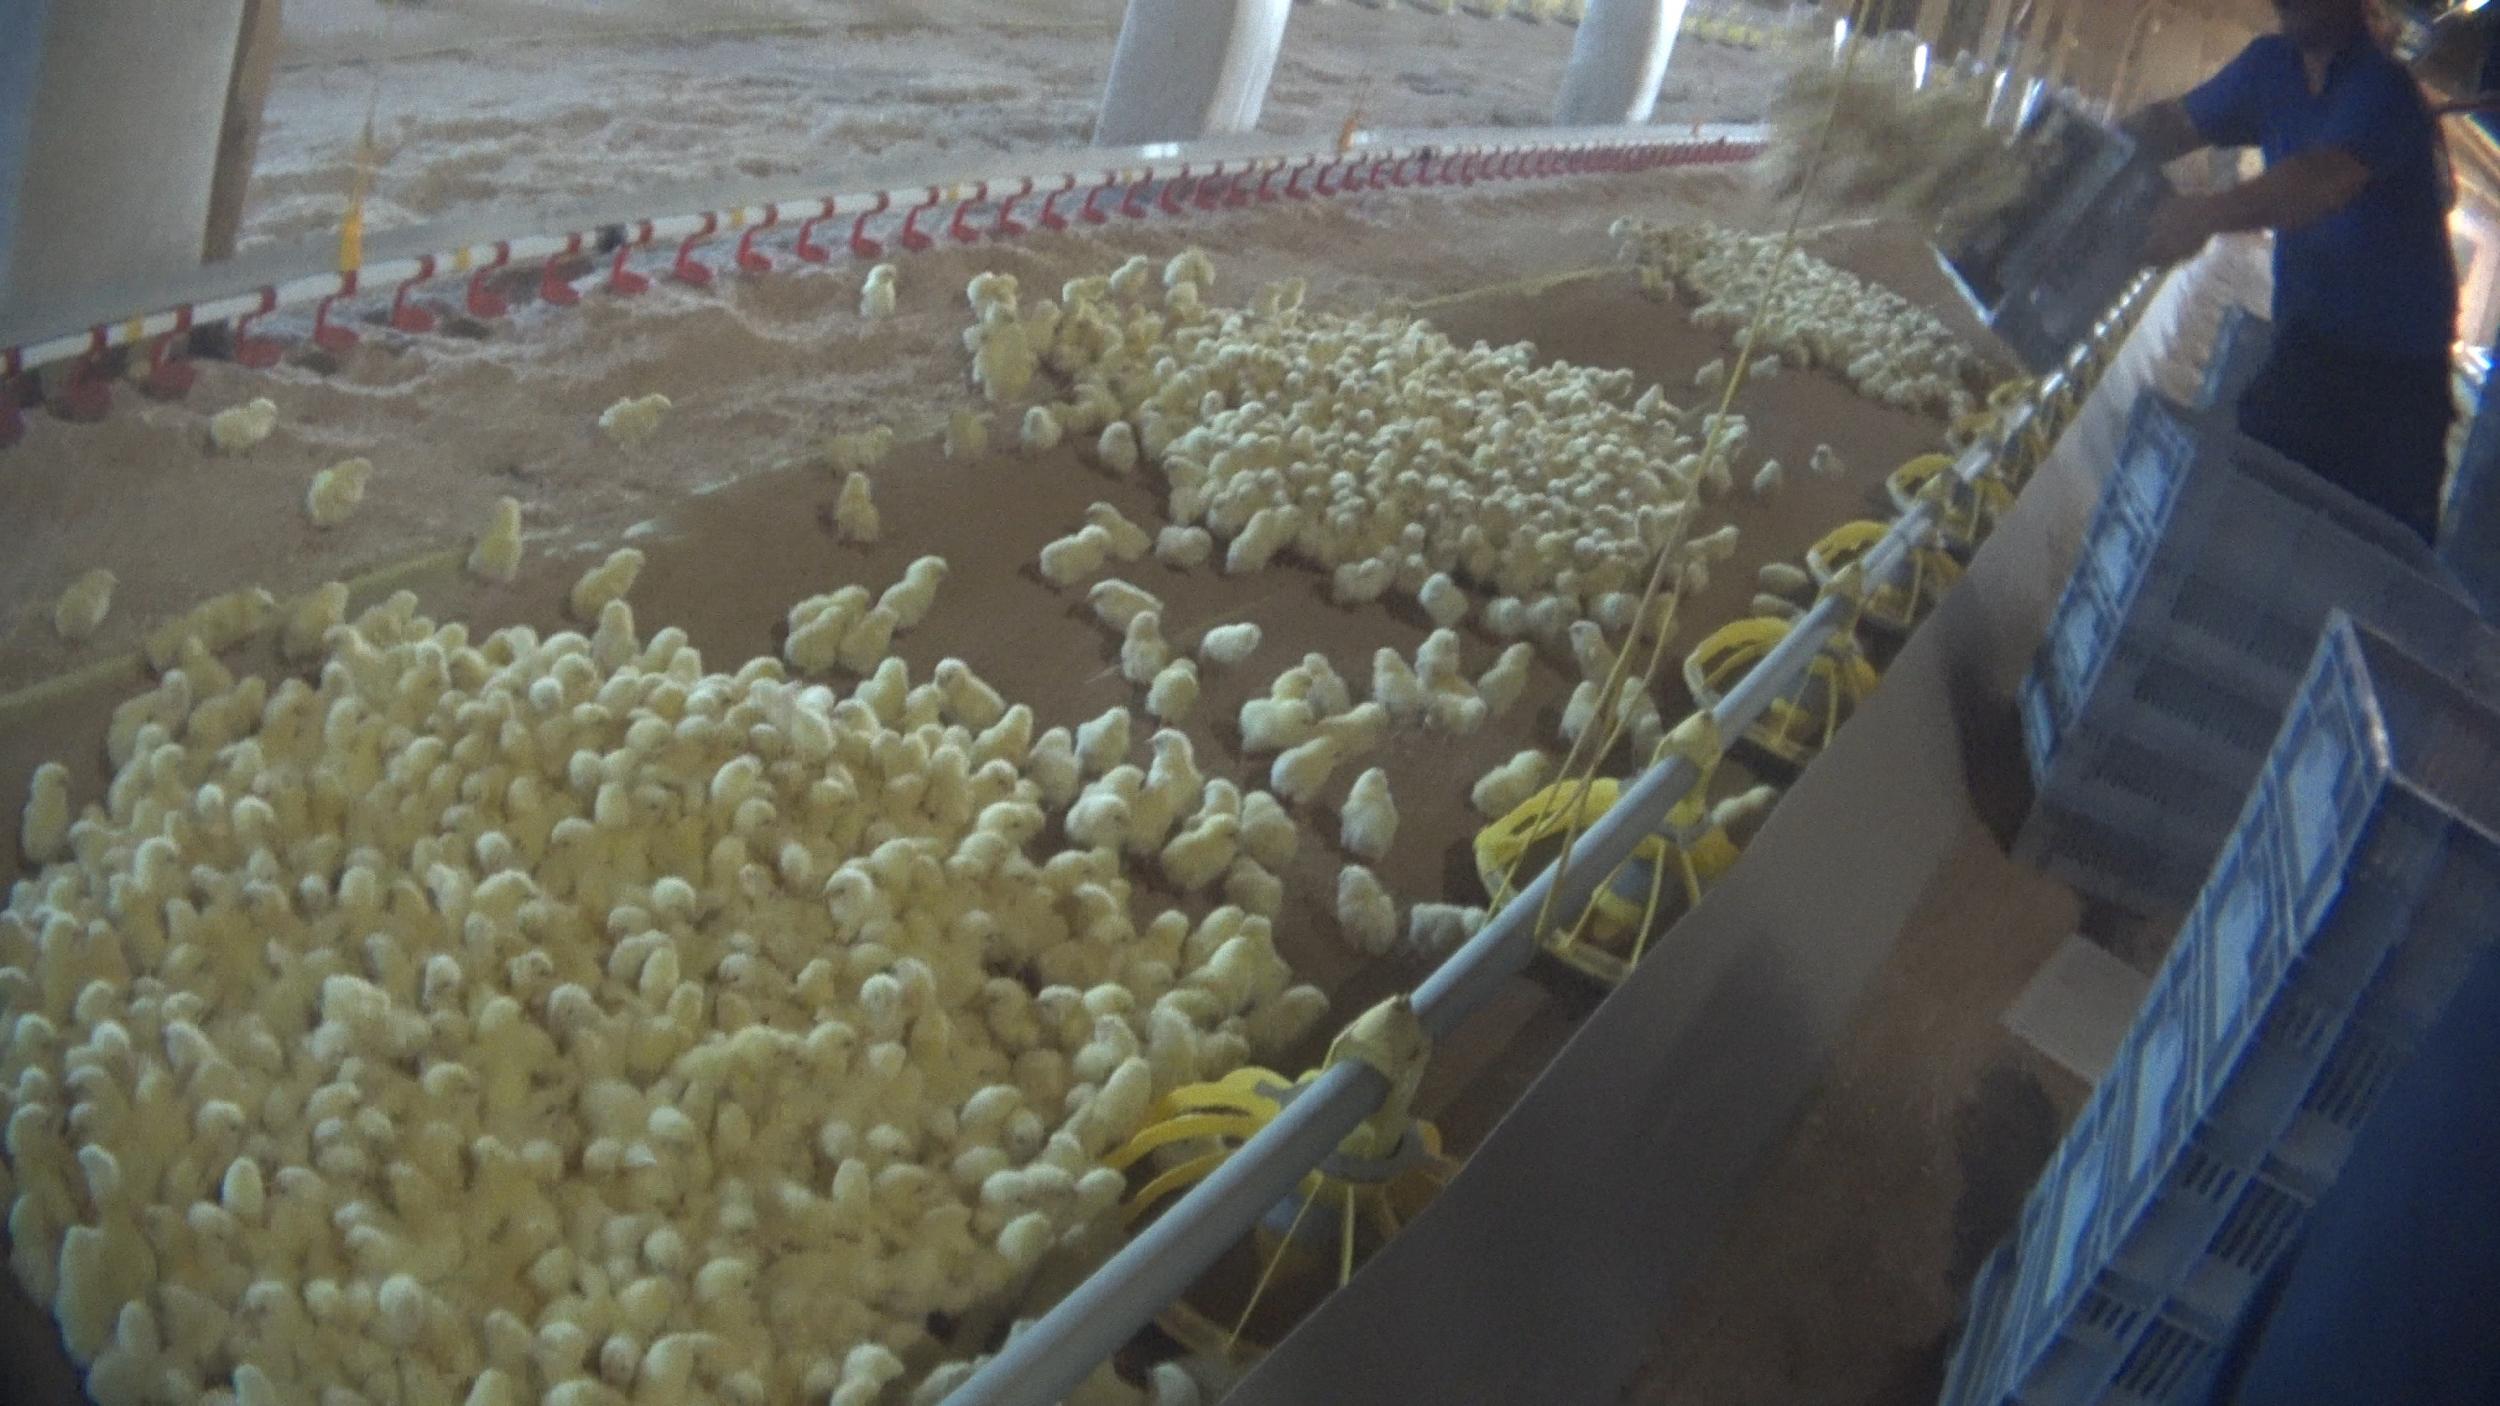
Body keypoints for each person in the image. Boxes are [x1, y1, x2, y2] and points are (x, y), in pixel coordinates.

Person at [2124, 0, 2458, 545]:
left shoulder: (2385, 89)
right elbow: (2173, 124)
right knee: (2251, 517)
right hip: (2308, 349)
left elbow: (2322, 180)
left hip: (2396, 388)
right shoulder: (2269, 67)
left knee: (2373, 558)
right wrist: (2070, 151)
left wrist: (2207, 214)